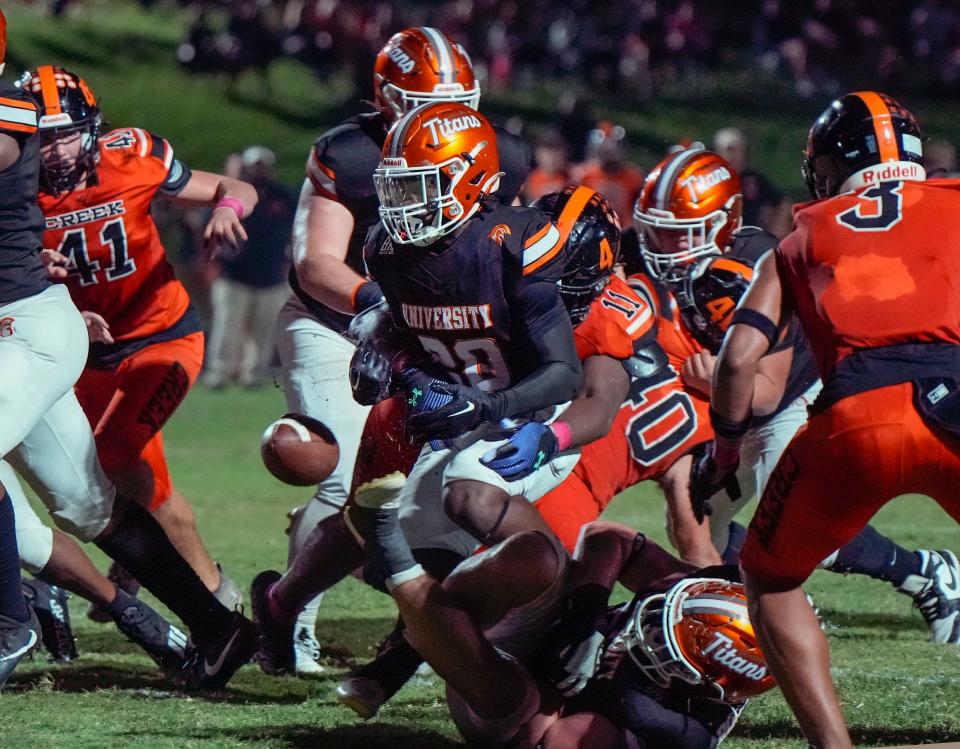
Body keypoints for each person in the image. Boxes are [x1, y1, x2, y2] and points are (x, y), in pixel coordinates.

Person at [698, 91, 960, 747]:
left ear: (834, 164)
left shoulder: (803, 233)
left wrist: (727, 458)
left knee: (770, 576)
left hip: (855, 418)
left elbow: (737, 361)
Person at [274, 25, 532, 675]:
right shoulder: (351, 154)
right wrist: (385, 309)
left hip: (439, 337)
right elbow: (315, 265)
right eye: (426, 103)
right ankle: (289, 618)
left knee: (429, 496)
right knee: (343, 485)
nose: (447, 119)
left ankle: (422, 629)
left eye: (460, 101)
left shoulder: (495, 151)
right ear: (388, 100)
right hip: (338, 325)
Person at [634, 147, 960, 642]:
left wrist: (711, 381)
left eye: (677, 233)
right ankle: (754, 612)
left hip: (791, 398)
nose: (663, 246)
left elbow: (764, 391)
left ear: (721, 222)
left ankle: (922, 571)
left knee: (797, 521)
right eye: (654, 231)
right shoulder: (678, 267)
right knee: (697, 526)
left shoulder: (756, 261)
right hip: (734, 409)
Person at [24, 65, 249, 614]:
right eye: (43, 137)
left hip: (161, 337)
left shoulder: (133, 157)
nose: (55, 151)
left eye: (66, 134)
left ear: (93, 128)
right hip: (82, 355)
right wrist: (35, 268)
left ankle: (214, 599)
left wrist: (225, 210)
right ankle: (146, 564)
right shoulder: (14, 190)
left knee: (116, 455)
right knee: (108, 474)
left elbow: (232, 186)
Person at [351, 460, 777, 748]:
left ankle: (390, 555)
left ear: (697, 679)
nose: (646, 630)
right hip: (543, 632)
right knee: (538, 554)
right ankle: (403, 618)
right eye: (661, 621)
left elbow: (537, 739)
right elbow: (608, 538)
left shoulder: (657, 719)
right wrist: (584, 619)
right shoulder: (709, 596)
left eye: (663, 645)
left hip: (505, 695)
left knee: (516, 704)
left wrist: (559, 685)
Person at [0, 10, 42, 687]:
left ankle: (13, 618)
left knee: (89, 498)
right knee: (80, 506)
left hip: (24, 320)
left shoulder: (8, 108)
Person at [203, 145, 295, 389]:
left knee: (264, 332)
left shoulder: (282, 196)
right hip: (234, 274)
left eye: (263, 166)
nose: (259, 171)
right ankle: (219, 373)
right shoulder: (234, 195)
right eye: (255, 166)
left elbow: (295, 229)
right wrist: (212, 261)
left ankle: (253, 374)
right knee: (227, 329)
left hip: (271, 274)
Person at [712, 127, 791, 238]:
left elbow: (783, 201)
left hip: (751, 239)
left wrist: (776, 231)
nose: (734, 156)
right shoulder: (712, 181)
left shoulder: (753, 179)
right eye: (730, 150)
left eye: (739, 151)